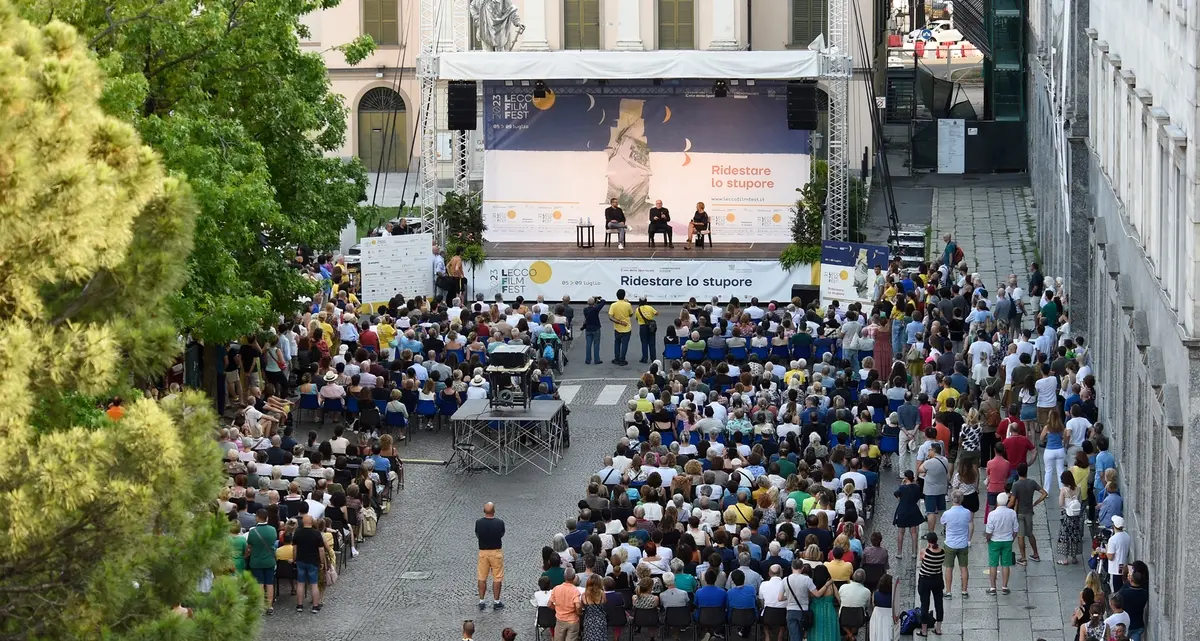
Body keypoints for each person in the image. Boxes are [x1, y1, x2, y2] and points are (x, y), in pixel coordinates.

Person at [1011, 463, 1047, 564]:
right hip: (1029, 512)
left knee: (1020, 536)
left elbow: (1013, 501)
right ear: (1026, 471)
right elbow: (1044, 493)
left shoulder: (1016, 485)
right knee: (1030, 534)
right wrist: (1035, 502)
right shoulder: (1032, 483)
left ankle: (1023, 558)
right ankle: (1036, 554)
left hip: (1020, 513)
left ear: (1018, 472)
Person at [246, 509, 278, 615]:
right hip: (269, 560)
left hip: (256, 561)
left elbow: (249, 546)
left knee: (259, 583)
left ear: (257, 518)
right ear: (267, 518)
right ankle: (269, 605)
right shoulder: (273, 530)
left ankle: (260, 605)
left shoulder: (252, 532)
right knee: (269, 583)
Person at [940, 490, 972, 599]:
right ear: (962, 499)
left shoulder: (947, 513)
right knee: (964, 568)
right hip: (963, 544)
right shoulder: (967, 512)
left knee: (949, 568)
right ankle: (964, 591)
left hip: (950, 544)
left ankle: (948, 592)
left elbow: (942, 522)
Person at [985, 491, 1018, 594]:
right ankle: (1004, 587)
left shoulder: (992, 514)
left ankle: (993, 588)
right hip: (1007, 540)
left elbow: (989, 531)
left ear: (997, 502)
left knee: (993, 565)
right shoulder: (1012, 513)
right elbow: (1016, 529)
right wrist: (1012, 539)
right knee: (1005, 564)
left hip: (994, 541)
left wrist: (988, 539)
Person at [292, 514, 326, 613]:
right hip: (313, 561)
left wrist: (295, 558)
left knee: (300, 583)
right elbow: (321, 550)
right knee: (314, 584)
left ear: (303, 522)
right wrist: (322, 561)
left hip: (300, 560)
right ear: (312, 522)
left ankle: (299, 605)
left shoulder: (298, 532)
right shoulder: (316, 533)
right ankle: (315, 606)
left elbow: (294, 548)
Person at [476, 502, 506, 610]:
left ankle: (481, 601)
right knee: (497, 577)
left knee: (481, 577)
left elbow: (477, 534)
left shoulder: (479, 523)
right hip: (496, 552)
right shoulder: (500, 522)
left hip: (483, 552)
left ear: (484, 511)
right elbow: (502, 534)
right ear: (494, 511)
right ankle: (496, 601)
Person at [780, 558, 817, 641]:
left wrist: (789, 596)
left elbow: (780, 598)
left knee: (794, 636)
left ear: (792, 567)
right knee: (802, 634)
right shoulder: (807, 579)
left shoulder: (785, 580)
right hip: (803, 610)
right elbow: (816, 594)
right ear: (802, 568)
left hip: (790, 610)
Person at [916, 532, 945, 636]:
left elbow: (921, 560)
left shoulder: (924, 552)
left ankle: (924, 630)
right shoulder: (942, 552)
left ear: (928, 542)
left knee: (924, 604)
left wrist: (927, 546)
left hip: (925, 580)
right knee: (939, 604)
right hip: (937, 580)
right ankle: (938, 628)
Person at [893, 470, 923, 559]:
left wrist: (902, 484)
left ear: (906, 478)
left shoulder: (902, 488)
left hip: (902, 510)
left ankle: (899, 553)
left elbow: (897, 496)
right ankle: (914, 553)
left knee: (901, 532)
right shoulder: (917, 487)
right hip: (913, 510)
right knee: (913, 532)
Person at [1056, 469, 1084, 565]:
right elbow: (1079, 501)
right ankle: (1074, 557)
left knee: (1065, 536)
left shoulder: (1063, 490)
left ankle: (1065, 559)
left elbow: (1061, 503)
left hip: (1066, 516)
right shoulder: (1078, 488)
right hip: (1076, 517)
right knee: (1075, 536)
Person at [548, 567, 582, 641]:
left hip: (560, 620)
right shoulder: (575, 590)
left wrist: (556, 608)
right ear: (574, 578)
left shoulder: (556, 589)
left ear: (564, 577)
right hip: (572, 621)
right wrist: (578, 613)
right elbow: (578, 605)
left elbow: (549, 604)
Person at [807, 565, 841, 641]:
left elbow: (808, 599)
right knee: (829, 630)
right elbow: (839, 599)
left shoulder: (812, 585)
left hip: (815, 610)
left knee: (815, 631)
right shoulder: (831, 585)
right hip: (829, 610)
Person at [837, 569, 871, 640]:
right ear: (864, 579)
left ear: (853, 576)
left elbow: (840, 600)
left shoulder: (843, 587)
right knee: (858, 618)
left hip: (843, 616)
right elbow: (867, 606)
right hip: (858, 618)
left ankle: (849, 635)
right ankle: (851, 635)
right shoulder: (867, 591)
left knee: (842, 617)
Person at [1105, 516, 1131, 593]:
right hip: (1124, 567)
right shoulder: (1127, 536)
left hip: (1115, 569)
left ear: (1114, 526)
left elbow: (1110, 557)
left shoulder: (1113, 539)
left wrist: (1106, 549)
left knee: (1115, 592)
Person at [579, 575, 608, 641]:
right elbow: (605, 603)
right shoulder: (602, 594)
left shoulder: (584, 595)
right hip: (600, 621)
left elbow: (582, 607)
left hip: (588, 621)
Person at [608, 289, 633, 366]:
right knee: (625, 344)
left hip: (617, 327)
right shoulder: (628, 305)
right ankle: (622, 359)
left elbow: (610, 317)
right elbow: (631, 314)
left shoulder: (613, 305)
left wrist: (619, 322)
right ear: (624, 296)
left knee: (617, 343)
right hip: (627, 327)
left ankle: (617, 358)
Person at [635, 295, 658, 364]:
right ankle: (653, 358)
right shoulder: (650, 308)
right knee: (652, 342)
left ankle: (644, 358)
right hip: (651, 326)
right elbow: (657, 313)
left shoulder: (637, 309)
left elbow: (636, 318)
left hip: (642, 327)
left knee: (644, 343)